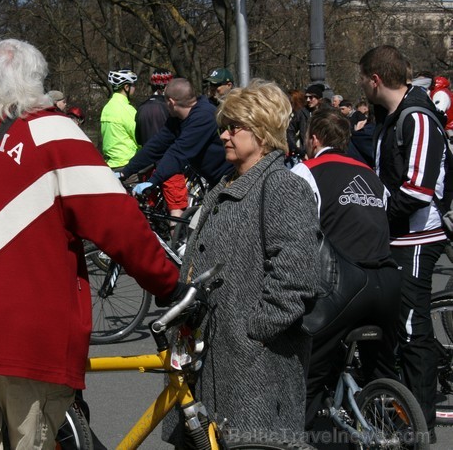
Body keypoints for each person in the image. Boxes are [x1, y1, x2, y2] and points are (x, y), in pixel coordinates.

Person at [0, 39, 180, 449]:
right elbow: (119, 223)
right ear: (34, 82)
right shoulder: (55, 132)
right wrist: (169, 284)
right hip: (29, 336)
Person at [165, 79, 320, 444]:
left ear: (263, 132)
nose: (224, 136)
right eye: (224, 127)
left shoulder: (281, 186)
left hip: (255, 367)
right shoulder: (226, 185)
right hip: (213, 359)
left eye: (235, 127)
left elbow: (296, 276)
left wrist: (253, 332)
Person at [291, 107, 401, 428]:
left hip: (346, 284)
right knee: (382, 373)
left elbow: (297, 231)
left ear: (313, 138)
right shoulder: (371, 175)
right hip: (388, 282)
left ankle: (303, 440)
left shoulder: (306, 171)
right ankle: (392, 432)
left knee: (309, 373)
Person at [359, 44, 447, 441]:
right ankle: (395, 403)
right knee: (394, 320)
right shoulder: (390, 114)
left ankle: (421, 421)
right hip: (398, 234)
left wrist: (375, 218)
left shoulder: (417, 116)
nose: (360, 86)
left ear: (375, 80)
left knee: (413, 327)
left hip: (417, 236)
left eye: (363, 79)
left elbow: (416, 192)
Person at [120, 78, 233, 192]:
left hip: (230, 178)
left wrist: (153, 181)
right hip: (215, 180)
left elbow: (179, 152)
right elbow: (157, 145)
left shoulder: (204, 116)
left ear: (171, 102)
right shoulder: (176, 119)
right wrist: (125, 172)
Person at [134, 69, 187, 219]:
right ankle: (177, 241)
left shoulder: (141, 108)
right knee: (176, 209)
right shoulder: (170, 108)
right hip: (169, 166)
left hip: (148, 167)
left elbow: (138, 139)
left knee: (150, 209)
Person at [100, 68, 138, 169]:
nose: (135, 88)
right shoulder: (127, 110)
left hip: (110, 165)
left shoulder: (107, 108)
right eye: (133, 85)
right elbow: (139, 138)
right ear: (126, 87)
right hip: (127, 164)